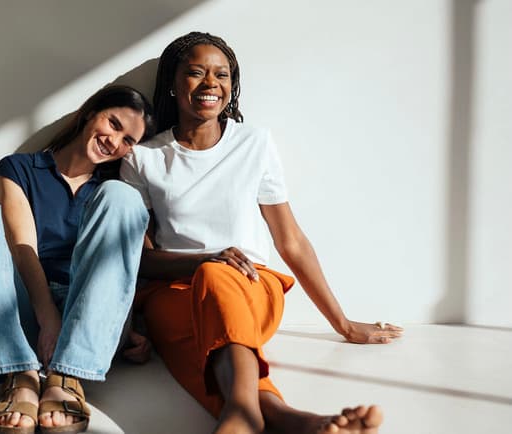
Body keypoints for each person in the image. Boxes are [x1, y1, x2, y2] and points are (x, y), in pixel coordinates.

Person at [119, 32, 404, 434]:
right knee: (215, 335)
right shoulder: (143, 158)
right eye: (196, 73)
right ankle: (303, 423)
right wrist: (204, 260)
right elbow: (140, 257)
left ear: (232, 86)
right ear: (172, 81)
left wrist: (342, 323)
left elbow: (290, 240)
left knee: (218, 282)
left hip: (251, 287)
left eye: (222, 74)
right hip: (174, 294)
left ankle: (240, 414)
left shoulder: (253, 143)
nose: (210, 84)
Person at [0, 84, 154, 434]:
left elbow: (132, 264)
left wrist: (133, 324)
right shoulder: (20, 168)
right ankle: (19, 375)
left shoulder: (113, 193)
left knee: (123, 197)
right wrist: (47, 316)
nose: (115, 142)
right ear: (89, 113)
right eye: (113, 124)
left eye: (128, 140)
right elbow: (22, 247)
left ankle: (68, 375)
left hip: (86, 324)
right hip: (20, 318)